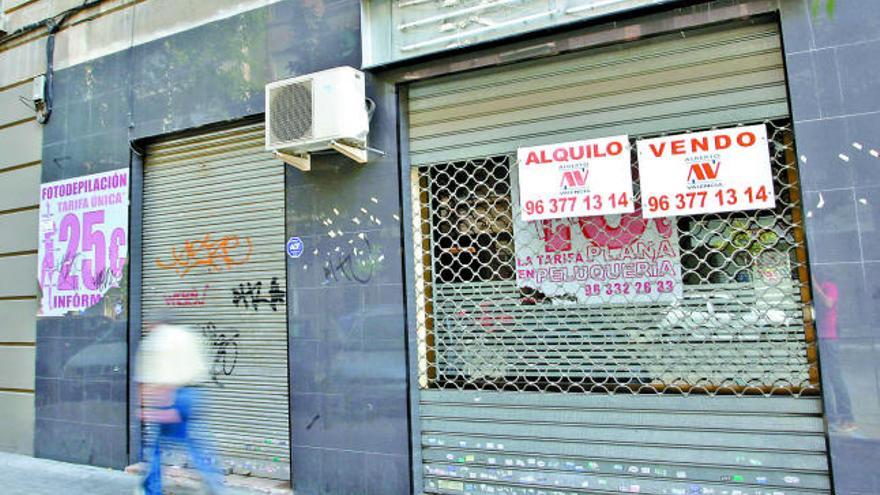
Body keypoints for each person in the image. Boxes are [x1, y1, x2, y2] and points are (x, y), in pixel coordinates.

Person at [134, 319, 225, 494]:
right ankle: (216, 486)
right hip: (194, 394)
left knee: (156, 447)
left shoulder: (155, 340)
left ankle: (150, 490)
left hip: (171, 396)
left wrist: (151, 407)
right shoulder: (189, 336)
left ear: (155, 324)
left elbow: (154, 378)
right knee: (198, 444)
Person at [812, 277, 856, 433]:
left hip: (829, 338)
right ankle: (832, 418)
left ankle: (847, 417)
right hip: (819, 338)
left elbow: (828, 303)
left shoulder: (829, 286)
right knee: (824, 379)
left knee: (835, 377)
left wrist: (816, 287)